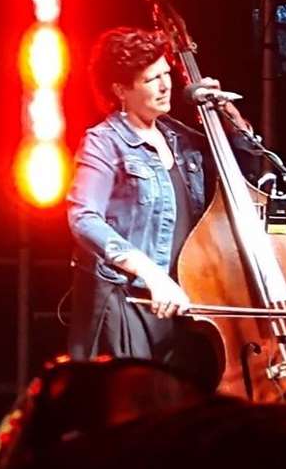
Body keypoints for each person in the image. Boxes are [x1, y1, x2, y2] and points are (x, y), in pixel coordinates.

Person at [66, 26, 256, 382]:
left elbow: (247, 167)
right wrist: (150, 273)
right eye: (152, 79)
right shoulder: (104, 143)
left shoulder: (181, 139)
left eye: (166, 74)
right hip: (131, 303)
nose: (166, 85)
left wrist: (223, 111)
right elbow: (83, 217)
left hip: (187, 302)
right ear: (121, 89)